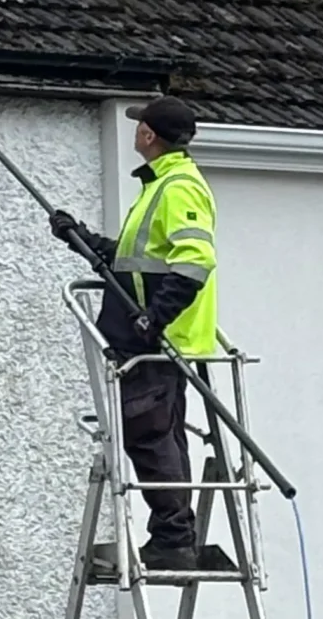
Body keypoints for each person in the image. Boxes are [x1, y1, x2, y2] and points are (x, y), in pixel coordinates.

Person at [53, 94, 218, 571]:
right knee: (160, 435)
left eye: (139, 126)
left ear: (148, 135)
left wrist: (155, 317)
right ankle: (175, 534)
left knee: (149, 435)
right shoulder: (160, 185)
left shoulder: (178, 188)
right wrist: (81, 239)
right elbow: (134, 263)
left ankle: (173, 538)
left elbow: (194, 261)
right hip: (154, 339)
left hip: (158, 342)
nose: (135, 132)